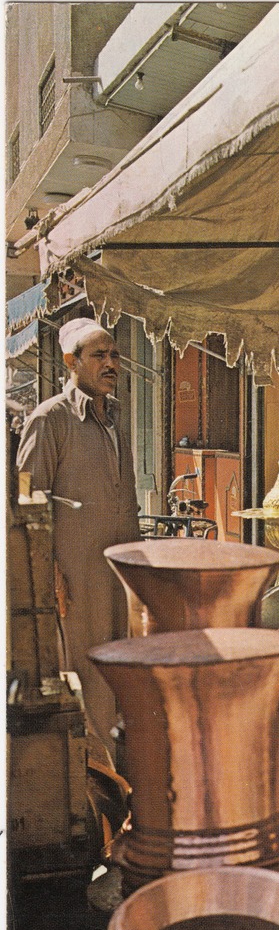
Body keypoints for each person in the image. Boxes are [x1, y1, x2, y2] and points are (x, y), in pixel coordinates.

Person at [16, 318, 140, 765]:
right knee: (85, 677)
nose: (111, 364)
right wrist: (47, 574)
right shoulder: (49, 419)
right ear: (71, 363)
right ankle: (95, 787)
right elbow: (24, 502)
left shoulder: (116, 419)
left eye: (115, 356)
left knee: (120, 673)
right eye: (99, 356)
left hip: (119, 577)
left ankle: (122, 777)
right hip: (75, 579)